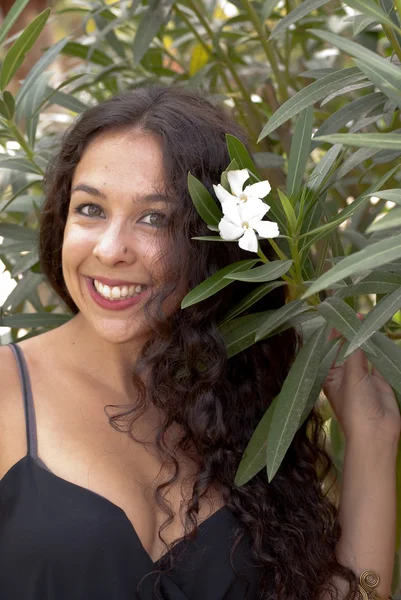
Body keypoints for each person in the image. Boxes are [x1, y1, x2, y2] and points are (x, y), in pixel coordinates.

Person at [0, 86, 399, 600]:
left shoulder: (243, 409)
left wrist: (373, 437)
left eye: (155, 218)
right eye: (91, 209)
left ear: (212, 244)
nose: (110, 248)